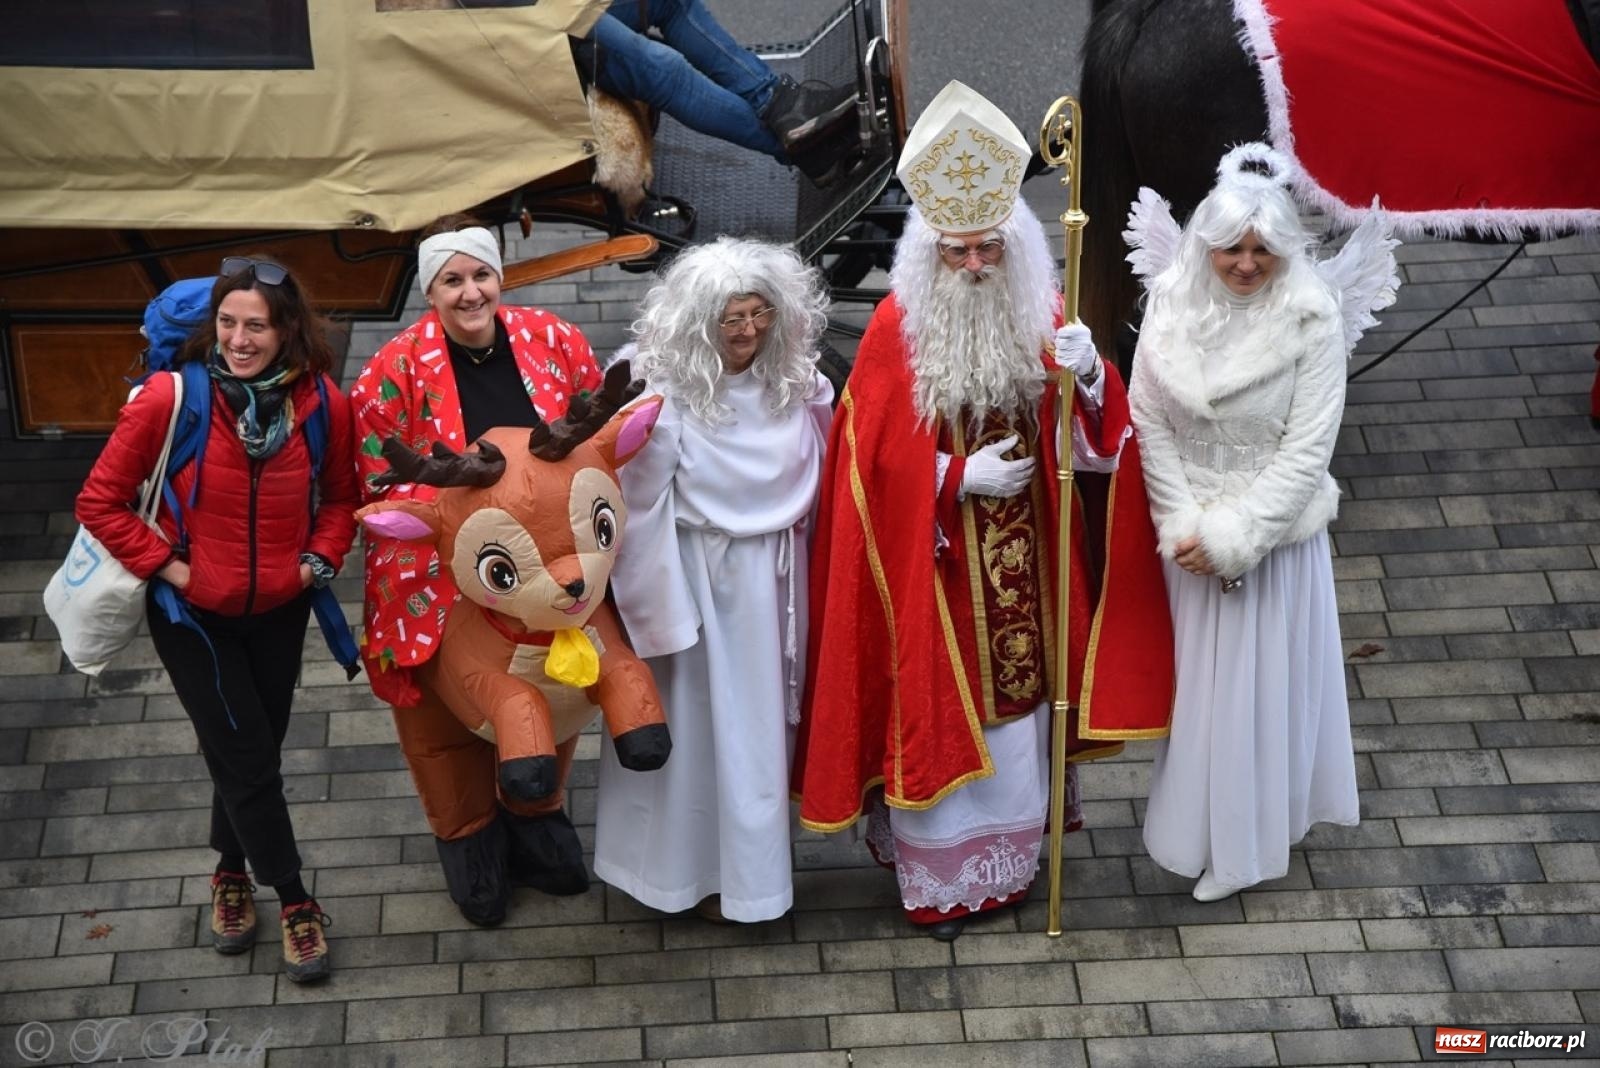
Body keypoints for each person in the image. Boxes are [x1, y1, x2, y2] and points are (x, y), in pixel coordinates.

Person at [792, 82, 1174, 941]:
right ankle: (945, 882)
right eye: (957, 252)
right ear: (929, 252)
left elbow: (1097, 446)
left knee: (1022, 715)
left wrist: (1088, 375)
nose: (973, 267)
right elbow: (865, 461)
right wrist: (952, 479)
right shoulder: (897, 329)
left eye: (989, 251)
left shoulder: (1044, 308)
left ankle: (1012, 865)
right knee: (944, 711)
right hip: (940, 575)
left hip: (1029, 562)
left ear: (1016, 245)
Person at [75, 258, 357, 982]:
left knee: (248, 753)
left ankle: (229, 872)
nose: (238, 339)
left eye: (255, 326)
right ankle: (295, 902)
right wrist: (171, 568)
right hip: (192, 615)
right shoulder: (171, 398)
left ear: (287, 329)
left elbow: (340, 498)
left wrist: (314, 564)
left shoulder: (323, 401)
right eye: (228, 323)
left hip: (281, 611)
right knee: (251, 760)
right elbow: (99, 501)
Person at [1127, 143, 1379, 901]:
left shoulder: (1312, 317)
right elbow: (1148, 415)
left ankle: (1245, 848)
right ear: (1206, 246)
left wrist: (1238, 539)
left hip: (1270, 545)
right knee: (1198, 702)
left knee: (1252, 701)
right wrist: (1183, 527)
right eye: (1232, 248)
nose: (1246, 263)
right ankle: (1201, 828)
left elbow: (1308, 449)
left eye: (1262, 249)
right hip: (1193, 544)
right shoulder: (1172, 302)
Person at [351, 216, 605, 926]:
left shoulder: (555, 340)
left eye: (481, 276)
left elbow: (590, 434)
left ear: (501, 276)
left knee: (550, 688)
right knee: (443, 718)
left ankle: (537, 816)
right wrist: (469, 508)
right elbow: (375, 479)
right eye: (452, 281)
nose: (471, 293)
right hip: (436, 577)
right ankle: (468, 840)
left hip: (539, 579)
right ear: (430, 291)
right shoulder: (389, 371)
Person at [593, 237, 832, 924]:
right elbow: (635, 511)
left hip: (775, 587)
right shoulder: (657, 395)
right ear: (699, 322)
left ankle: (753, 884)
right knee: (694, 739)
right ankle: (674, 877)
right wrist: (660, 622)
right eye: (732, 319)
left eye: (760, 313)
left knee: (757, 738)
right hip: (694, 586)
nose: (749, 332)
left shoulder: (799, 383)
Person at [576, 0, 857, 183]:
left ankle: (778, 102)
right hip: (546, 41)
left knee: (672, 2)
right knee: (664, 69)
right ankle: (808, 149)